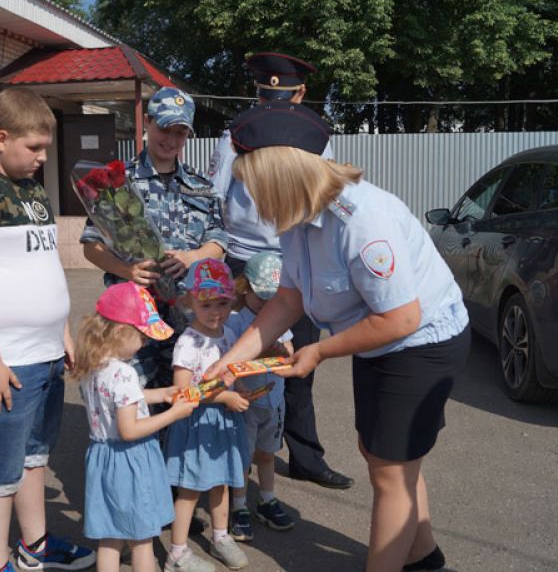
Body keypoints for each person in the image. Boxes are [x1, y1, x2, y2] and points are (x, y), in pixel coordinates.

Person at [208, 102, 471, 572]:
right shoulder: (294, 218)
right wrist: (231, 358)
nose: (248, 196)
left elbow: (402, 319)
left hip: (421, 341)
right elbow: (287, 299)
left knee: (390, 469)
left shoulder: (362, 220)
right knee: (384, 454)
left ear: (281, 177)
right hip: (377, 338)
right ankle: (424, 555)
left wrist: (318, 351)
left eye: (254, 184)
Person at [0, 88, 95, 572]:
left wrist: (63, 334)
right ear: (1, 138)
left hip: (45, 352)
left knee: (34, 456)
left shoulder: (29, 189)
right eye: (34, 148)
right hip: (4, 360)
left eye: (45, 148)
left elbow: (43, 264)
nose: (42, 158)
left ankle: (35, 548)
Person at [208, 52, 353, 490]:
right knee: (233, 360)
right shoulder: (236, 135)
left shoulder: (317, 137)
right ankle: (225, 462)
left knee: (298, 362)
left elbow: (327, 196)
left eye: (282, 97)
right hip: (240, 260)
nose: (273, 105)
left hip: (295, 261)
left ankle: (305, 458)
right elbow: (217, 197)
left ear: (301, 94)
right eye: (267, 96)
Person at [81, 86, 227, 391]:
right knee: (133, 398)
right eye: (164, 128)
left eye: (180, 133)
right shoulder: (117, 182)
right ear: (147, 122)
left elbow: (218, 242)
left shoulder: (201, 186)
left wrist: (192, 257)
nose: (171, 140)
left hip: (189, 316)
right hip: (132, 319)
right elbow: (91, 245)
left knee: (188, 400)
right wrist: (128, 271)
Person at [71, 281, 199, 572]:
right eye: (141, 336)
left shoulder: (95, 365)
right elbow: (129, 429)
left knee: (110, 537)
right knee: (142, 538)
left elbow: (120, 402)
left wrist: (164, 394)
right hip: (131, 459)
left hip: (102, 458)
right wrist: (174, 413)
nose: (145, 343)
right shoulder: (125, 373)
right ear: (119, 332)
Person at [163, 259, 250, 572]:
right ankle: (177, 552)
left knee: (222, 483)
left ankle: (221, 536)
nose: (216, 312)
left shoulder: (227, 333)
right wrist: (225, 396)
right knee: (189, 489)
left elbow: (232, 373)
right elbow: (183, 390)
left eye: (223, 303)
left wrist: (240, 390)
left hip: (224, 422)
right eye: (207, 304)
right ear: (190, 302)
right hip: (197, 425)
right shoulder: (188, 342)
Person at [225, 252, 295, 542]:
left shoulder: (280, 317)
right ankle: (239, 506)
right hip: (246, 403)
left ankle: (267, 499)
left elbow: (290, 355)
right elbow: (229, 362)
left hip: (274, 402)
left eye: (272, 297)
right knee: (242, 457)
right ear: (245, 288)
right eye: (260, 296)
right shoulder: (237, 321)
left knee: (267, 454)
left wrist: (281, 353)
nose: (267, 304)